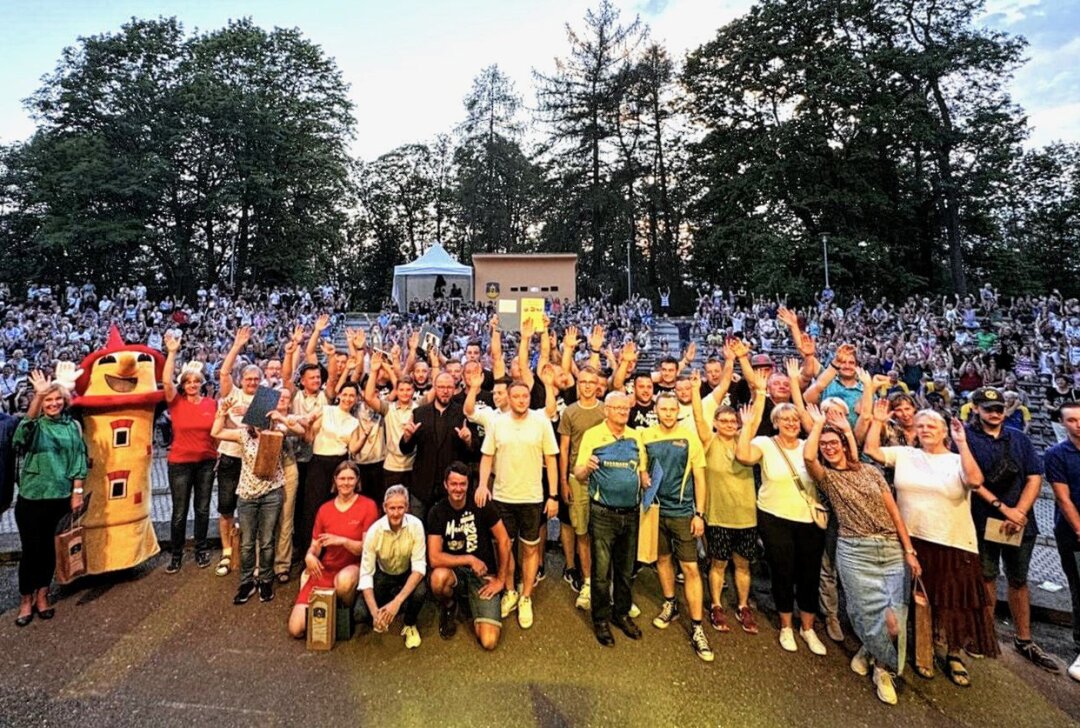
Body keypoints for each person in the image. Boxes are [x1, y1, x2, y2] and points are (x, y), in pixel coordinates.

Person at [864, 402, 998, 687]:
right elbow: (872, 451)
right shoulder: (906, 454)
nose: (926, 430)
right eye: (922, 426)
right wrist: (876, 421)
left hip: (952, 539)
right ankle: (922, 649)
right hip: (912, 537)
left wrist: (961, 444)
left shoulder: (955, 458)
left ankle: (953, 654)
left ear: (943, 432)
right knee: (918, 600)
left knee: (953, 602)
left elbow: (975, 480)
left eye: (932, 427)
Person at [803, 405, 921, 705]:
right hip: (854, 550)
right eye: (825, 445)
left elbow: (894, 512)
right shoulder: (827, 478)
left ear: (845, 445)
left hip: (891, 547)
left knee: (895, 618)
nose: (829, 449)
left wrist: (909, 549)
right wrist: (818, 425)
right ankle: (883, 670)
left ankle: (876, 657)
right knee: (866, 612)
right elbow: (808, 457)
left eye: (835, 443)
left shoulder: (871, 471)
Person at [963, 387, 1058, 672]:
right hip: (984, 518)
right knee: (987, 577)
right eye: (989, 408)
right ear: (976, 409)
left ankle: (1024, 638)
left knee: (1019, 580)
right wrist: (1009, 511)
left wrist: (1018, 512)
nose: (995, 412)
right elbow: (970, 480)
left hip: (1019, 520)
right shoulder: (966, 439)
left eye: (999, 408)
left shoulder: (1019, 438)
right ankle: (985, 634)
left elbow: (1034, 476)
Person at [735, 381, 828, 656]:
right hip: (774, 515)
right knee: (783, 570)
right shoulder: (765, 443)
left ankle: (808, 628)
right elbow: (742, 455)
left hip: (809, 518)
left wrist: (818, 425)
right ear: (775, 423)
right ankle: (786, 624)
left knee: (809, 574)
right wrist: (748, 425)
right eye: (784, 419)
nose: (790, 422)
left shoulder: (810, 445)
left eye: (794, 419)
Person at [476, 380, 559, 629]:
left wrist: (553, 495)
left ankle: (526, 597)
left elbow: (551, 460)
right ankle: (511, 590)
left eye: (525, 396)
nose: (521, 400)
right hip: (503, 496)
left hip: (532, 497)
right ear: (508, 399)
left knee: (531, 549)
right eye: (516, 396)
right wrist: (482, 485)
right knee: (505, 548)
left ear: (529, 398)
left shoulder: (541, 422)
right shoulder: (497, 423)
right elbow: (487, 456)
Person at [211, 389, 305, 605]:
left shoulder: (277, 431)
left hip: (272, 492)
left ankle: (265, 580)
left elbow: (300, 430)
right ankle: (246, 581)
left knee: (267, 541)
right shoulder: (243, 434)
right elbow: (217, 432)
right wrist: (221, 413)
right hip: (247, 493)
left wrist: (280, 417)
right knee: (246, 542)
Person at [12, 369, 87, 626]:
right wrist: (39, 393)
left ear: (64, 401)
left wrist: (77, 492)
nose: (53, 403)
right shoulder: (36, 425)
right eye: (48, 400)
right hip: (32, 496)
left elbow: (79, 460)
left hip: (59, 496)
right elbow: (22, 433)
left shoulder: (71, 426)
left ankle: (43, 594)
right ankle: (25, 599)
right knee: (30, 550)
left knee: (47, 551)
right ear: (42, 403)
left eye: (57, 399)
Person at [641, 392, 712, 661]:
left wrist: (699, 513)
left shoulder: (689, 437)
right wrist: (643, 476)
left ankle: (697, 627)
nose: (668, 413)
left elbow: (699, 478)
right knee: (662, 558)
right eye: (664, 409)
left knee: (691, 568)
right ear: (656, 411)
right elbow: (643, 470)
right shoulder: (646, 436)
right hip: (655, 511)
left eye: (673, 409)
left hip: (683, 512)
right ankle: (670, 602)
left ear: (678, 412)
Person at [574, 392, 649, 647]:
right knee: (601, 572)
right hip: (603, 513)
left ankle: (621, 614)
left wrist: (645, 479)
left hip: (631, 512)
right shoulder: (593, 436)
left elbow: (640, 470)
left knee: (626, 571)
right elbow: (579, 473)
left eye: (625, 408)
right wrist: (588, 468)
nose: (622, 411)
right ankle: (601, 620)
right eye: (616, 407)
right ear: (606, 410)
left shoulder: (635, 436)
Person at [690, 372, 762, 636]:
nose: (730, 424)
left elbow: (754, 419)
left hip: (746, 516)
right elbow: (698, 418)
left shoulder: (746, 441)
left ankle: (743, 606)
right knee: (718, 563)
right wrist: (696, 392)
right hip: (718, 515)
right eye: (724, 420)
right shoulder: (709, 441)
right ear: (716, 423)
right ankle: (717, 604)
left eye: (733, 420)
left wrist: (761, 392)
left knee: (742, 565)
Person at [427, 462, 513, 650]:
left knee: (489, 641)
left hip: (482, 575)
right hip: (454, 572)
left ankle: (473, 604)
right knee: (438, 579)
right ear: (445, 485)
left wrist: (501, 579)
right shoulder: (437, 512)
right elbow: (434, 557)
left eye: (462, 484)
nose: (458, 489)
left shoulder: (482, 505)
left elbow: (504, 541)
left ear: (468, 485)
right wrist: (469, 559)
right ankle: (450, 605)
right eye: (453, 484)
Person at [288, 461, 378, 638]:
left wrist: (343, 541)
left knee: (344, 581)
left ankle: (344, 612)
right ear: (335, 480)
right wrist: (310, 556)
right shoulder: (325, 509)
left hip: (354, 565)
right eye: (342, 478)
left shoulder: (368, 506)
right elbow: (315, 545)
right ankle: (325, 612)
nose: (346, 483)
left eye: (351, 479)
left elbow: (366, 550)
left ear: (357, 481)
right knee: (296, 629)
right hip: (327, 568)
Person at [161, 332, 217, 573]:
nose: (192, 385)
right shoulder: (176, 402)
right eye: (188, 382)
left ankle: (201, 549)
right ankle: (176, 553)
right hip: (180, 464)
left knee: (203, 509)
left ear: (202, 383)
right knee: (179, 512)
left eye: (196, 381)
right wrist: (172, 352)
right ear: (183, 385)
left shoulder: (211, 403)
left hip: (206, 462)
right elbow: (165, 383)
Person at [355, 485, 428, 649]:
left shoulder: (416, 526)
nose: (396, 513)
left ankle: (410, 623)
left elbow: (419, 567)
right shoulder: (374, 531)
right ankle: (385, 611)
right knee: (360, 613)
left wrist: (397, 601)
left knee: (421, 591)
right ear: (384, 507)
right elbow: (366, 574)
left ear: (407, 508)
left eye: (400, 507)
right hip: (383, 574)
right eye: (392, 508)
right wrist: (375, 613)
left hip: (407, 572)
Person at [299, 381, 366, 560]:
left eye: (352, 395)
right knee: (313, 509)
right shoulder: (326, 410)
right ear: (339, 395)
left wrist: (365, 435)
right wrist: (306, 425)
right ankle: (311, 555)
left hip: (340, 465)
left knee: (336, 509)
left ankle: (333, 555)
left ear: (357, 399)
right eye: (345, 394)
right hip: (319, 463)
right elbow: (310, 437)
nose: (348, 398)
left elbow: (352, 448)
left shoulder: (354, 421)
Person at [558, 366, 606, 610]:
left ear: (598, 385)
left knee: (604, 533)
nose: (587, 385)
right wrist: (564, 481)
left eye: (591, 382)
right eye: (583, 381)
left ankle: (604, 583)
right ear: (578, 384)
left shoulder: (605, 410)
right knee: (582, 532)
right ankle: (587, 582)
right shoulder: (569, 412)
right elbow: (564, 449)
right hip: (577, 479)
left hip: (604, 478)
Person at [214, 327, 259, 576]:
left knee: (250, 507)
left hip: (253, 460)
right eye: (248, 379)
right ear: (242, 380)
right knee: (225, 506)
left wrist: (249, 421)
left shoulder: (266, 397)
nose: (252, 383)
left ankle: (248, 552)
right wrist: (236, 346)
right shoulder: (233, 393)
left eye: (256, 379)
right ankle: (226, 551)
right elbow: (223, 372)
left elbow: (264, 429)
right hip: (231, 455)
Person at [400, 373, 473, 521]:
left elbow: (472, 452)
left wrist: (468, 440)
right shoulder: (419, 413)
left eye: (449, 387)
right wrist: (407, 437)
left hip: (451, 488)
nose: (445, 391)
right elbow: (405, 449)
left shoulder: (463, 414)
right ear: (434, 388)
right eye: (441, 387)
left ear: (454, 389)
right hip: (422, 485)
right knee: (418, 530)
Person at [1045, 401, 1080, 682]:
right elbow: (1062, 497)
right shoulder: (1056, 454)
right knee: (1079, 589)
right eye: (1071, 420)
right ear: (1063, 423)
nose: (1078, 424)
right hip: (1072, 532)